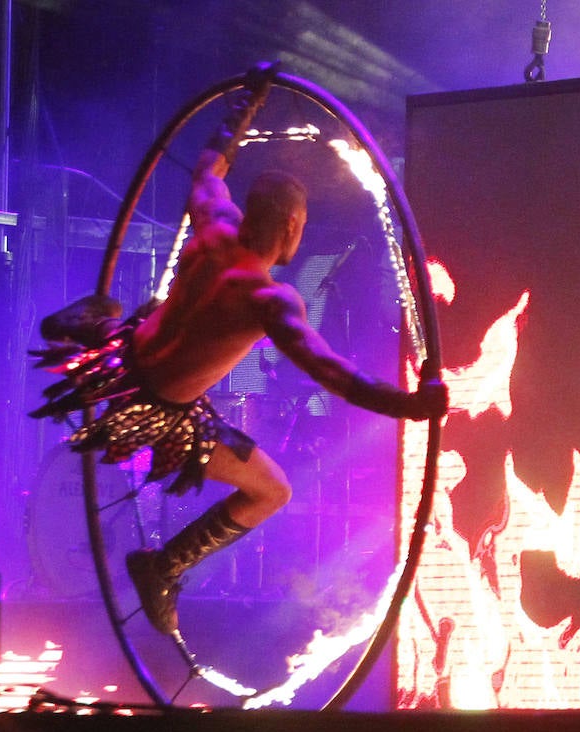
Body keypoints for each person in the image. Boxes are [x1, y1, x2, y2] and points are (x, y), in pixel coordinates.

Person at [31, 64, 447, 636]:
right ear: (294, 226)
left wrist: (245, 105)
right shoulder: (269, 301)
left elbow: (208, 166)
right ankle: (164, 566)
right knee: (273, 489)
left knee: (128, 314)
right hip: (158, 411)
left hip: (120, 367)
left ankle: (91, 316)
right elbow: (335, 374)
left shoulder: (213, 223)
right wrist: (412, 405)